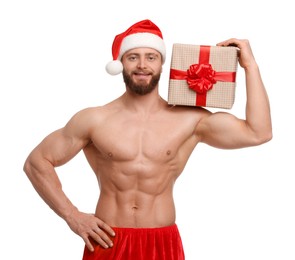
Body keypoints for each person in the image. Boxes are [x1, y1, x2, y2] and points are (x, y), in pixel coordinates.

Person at [23, 19, 272, 259]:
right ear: (121, 63)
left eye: (151, 57)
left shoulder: (190, 119)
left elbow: (258, 132)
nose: (142, 65)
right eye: (133, 57)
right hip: (109, 239)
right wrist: (72, 216)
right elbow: (37, 162)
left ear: (162, 64)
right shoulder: (94, 119)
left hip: (162, 242)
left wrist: (251, 66)